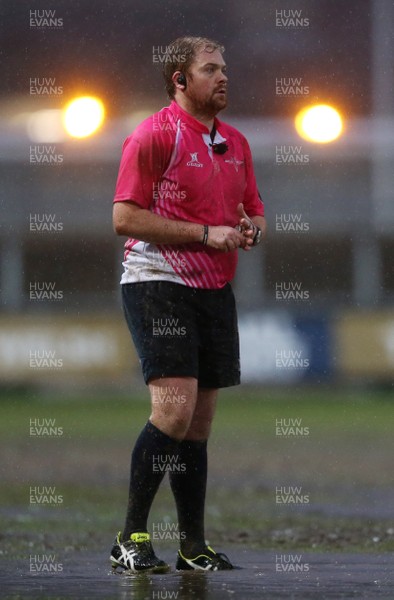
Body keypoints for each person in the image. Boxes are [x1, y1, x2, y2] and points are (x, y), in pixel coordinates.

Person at [110, 36, 266, 573]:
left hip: (213, 290)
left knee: (197, 425)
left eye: (225, 68)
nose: (223, 77)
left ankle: (191, 545)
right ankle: (129, 537)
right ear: (179, 80)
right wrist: (204, 233)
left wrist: (251, 228)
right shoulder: (154, 135)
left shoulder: (238, 143)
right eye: (210, 70)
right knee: (173, 412)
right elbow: (124, 218)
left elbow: (254, 211)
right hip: (157, 280)